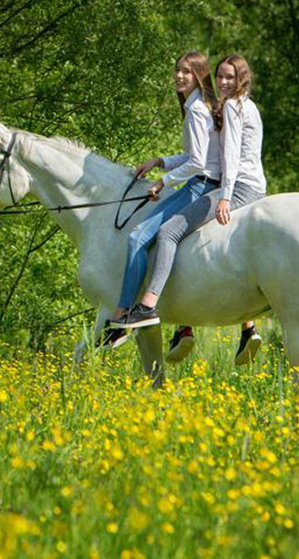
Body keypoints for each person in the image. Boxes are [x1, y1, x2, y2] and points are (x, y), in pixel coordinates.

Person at [111, 54, 267, 366]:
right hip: (235, 182)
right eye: (220, 77)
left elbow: (221, 161)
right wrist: (161, 161)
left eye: (229, 78)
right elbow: (209, 154)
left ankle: (143, 308)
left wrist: (219, 195)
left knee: (167, 231)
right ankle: (205, 326)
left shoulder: (220, 109)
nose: (223, 83)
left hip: (230, 186)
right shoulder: (227, 106)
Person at [103, 51, 221, 349]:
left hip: (202, 186)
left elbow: (196, 163)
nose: (179, 76)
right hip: (204, 182)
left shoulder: (195, 110)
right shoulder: (199, 105)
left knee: (138, 236)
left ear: (199, 75)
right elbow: (195, 155)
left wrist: (161, 181)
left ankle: (123, 316)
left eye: (186, 71)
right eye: (177, 70)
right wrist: (159, 161)